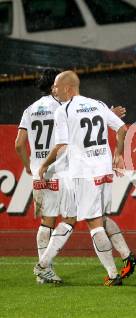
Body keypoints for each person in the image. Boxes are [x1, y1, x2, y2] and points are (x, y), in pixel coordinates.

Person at [34, 70, 132, 286]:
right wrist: (118, 153)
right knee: (99, 218)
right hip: (103, 170)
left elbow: (61, 146)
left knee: (94, 223)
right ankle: (126, 257)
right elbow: (122, 128)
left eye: (57, 87)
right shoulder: (97, 103)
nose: (54, 90)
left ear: (68, 88)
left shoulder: (64, 110)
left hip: (84, 174)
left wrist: (44, 164)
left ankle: (113, 274)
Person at [15, 68, 74, 284]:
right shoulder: (62, 107)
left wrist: (28, 166)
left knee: (46, 221)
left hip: (38, 171)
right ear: (53, 86)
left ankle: (44, 270)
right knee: (70, 218)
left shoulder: (30, 110)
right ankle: (43, 265)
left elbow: (19, 144)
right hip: (59, 170)